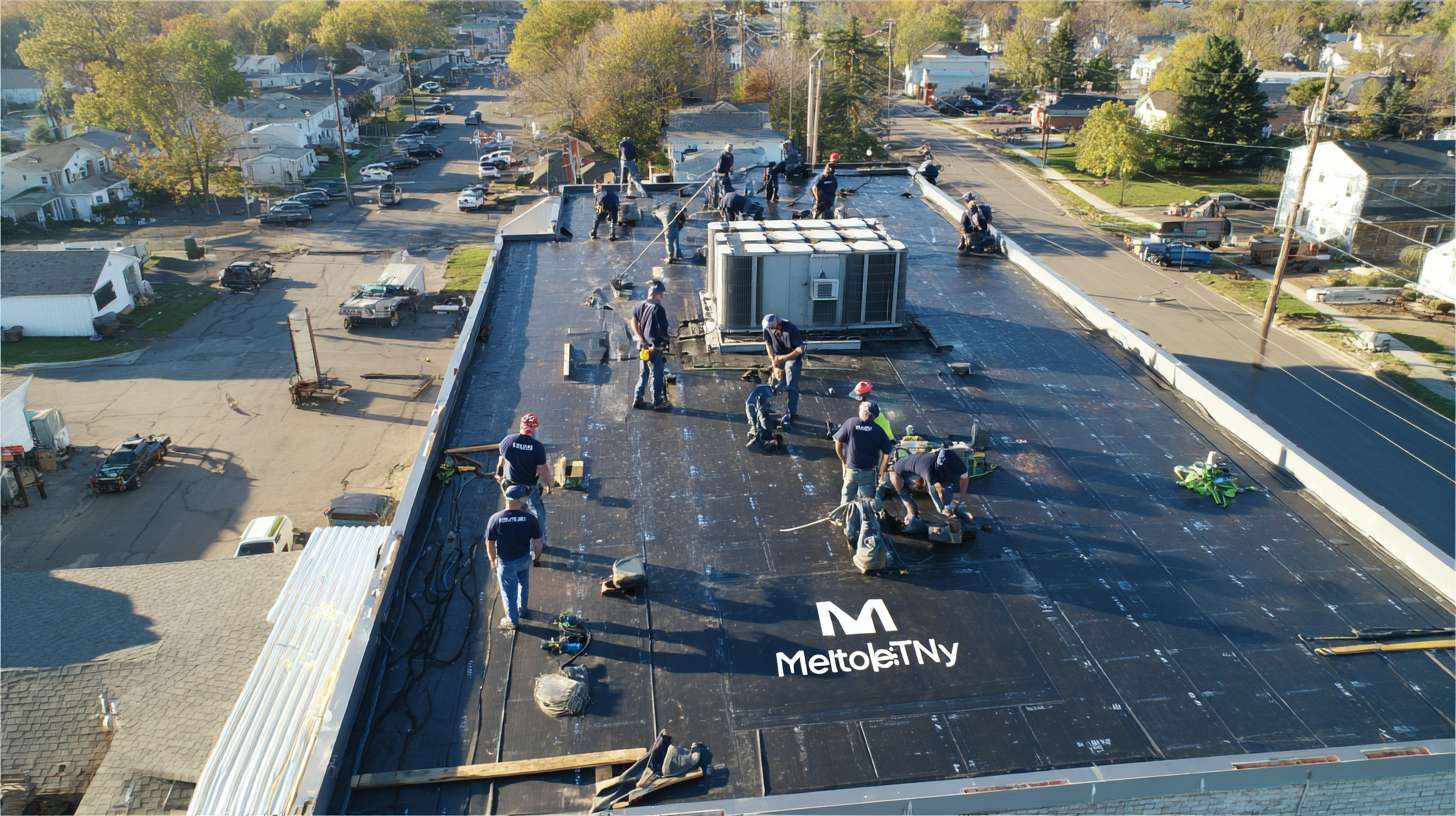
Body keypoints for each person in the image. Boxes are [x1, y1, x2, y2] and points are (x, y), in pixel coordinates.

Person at [486, 484, 544, 632]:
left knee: (508, 592)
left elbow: (490, 542)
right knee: (523, 584)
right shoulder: (530, 518)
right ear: (521, 500)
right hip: (524, 559)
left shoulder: (495, 519)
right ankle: (523, 609)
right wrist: (536, 559)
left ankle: (513, 620)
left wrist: (493, 561)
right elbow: (538, 543)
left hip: (506, 563)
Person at [496, 412, 551, 541]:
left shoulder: (507, 441)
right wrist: (549, 484)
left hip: (510, 484)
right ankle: (540, 537)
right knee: (537, 510)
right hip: (528, 487)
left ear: (521, 426)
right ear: (535, 429)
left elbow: (501, 460)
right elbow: (543, 469)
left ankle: (508, 536)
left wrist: (499, 473)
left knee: (510, 511)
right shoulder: (537, 447)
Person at [890, 447, 971, 534]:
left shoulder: (958, 464)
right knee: (903, 490)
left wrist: (959, 498)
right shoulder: (928, 471)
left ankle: (949, 510)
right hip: (898, 473)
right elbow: (937, 492)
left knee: (948, 495)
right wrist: (945, 512)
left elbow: (965, 479)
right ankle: (911, 514)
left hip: (919, 469)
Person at [834, 400, 893, 508]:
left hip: (851, 470)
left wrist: (843, 461)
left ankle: (843, 518)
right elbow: (887, 453)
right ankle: (866, 520)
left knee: (846, 497)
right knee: (867, 502)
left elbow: (838, 441)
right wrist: (881, 472)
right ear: (875, 416)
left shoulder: (851, 423)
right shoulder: (879, 431)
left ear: (863, 412)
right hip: (868, 473)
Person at [631, 280, 671, 411]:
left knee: (643, 373)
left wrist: (640, 337)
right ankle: (658, 402)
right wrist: (662, 343)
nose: (663, 297)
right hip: (653, 348)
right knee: (657, 375)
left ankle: (638, 398)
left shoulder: (639, 306)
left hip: (642, 347)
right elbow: (663, 330)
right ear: (655, 294)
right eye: (661, 294)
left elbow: (634, 321)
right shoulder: (659, 309)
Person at [761, 313, 803, 424]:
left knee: (791, 386)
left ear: (777, 324)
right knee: (774, 383)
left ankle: (791, 412)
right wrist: (774, 364)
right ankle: (766, 407)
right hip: (778, 357)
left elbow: (799, 350)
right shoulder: (767, 328)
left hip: (792, 357)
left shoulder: (790, 329)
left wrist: (783, 359)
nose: (770, 330)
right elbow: (768, 345)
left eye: (771, 328)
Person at [743, 368, 785, 449]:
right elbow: (757, 410)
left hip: (759, 407)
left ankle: (760, 435)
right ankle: (758, 437)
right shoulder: (763, 391)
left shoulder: (770, 388)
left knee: (765, 424)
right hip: (753, 407)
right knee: (761, 425)